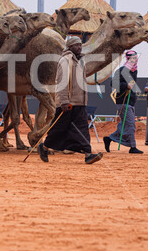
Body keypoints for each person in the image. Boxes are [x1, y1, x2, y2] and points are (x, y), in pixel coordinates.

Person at [38, 36, 103, 164]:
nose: (79, 47)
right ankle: (44, 147)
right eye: (76, 45)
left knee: (83, 128)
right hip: (68, 103)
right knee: (58, 128)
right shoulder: (65, 60)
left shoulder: (80, 62)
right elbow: (61, 82)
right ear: (70, 47)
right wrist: (64, 101)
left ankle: (88, 154)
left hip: (80, 103)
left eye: (80, 45)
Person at [103, 50, 143, 154]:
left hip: (131, 101)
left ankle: (109, 139)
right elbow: (113, 83)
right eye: (131, 58)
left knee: (124, 125)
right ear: (127, 59)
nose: (133, 60)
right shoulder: (122, 70)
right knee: (130, 125)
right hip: (123, 101)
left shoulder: (135, 71)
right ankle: (133, 147)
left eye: (135, 58)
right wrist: (126, 86)